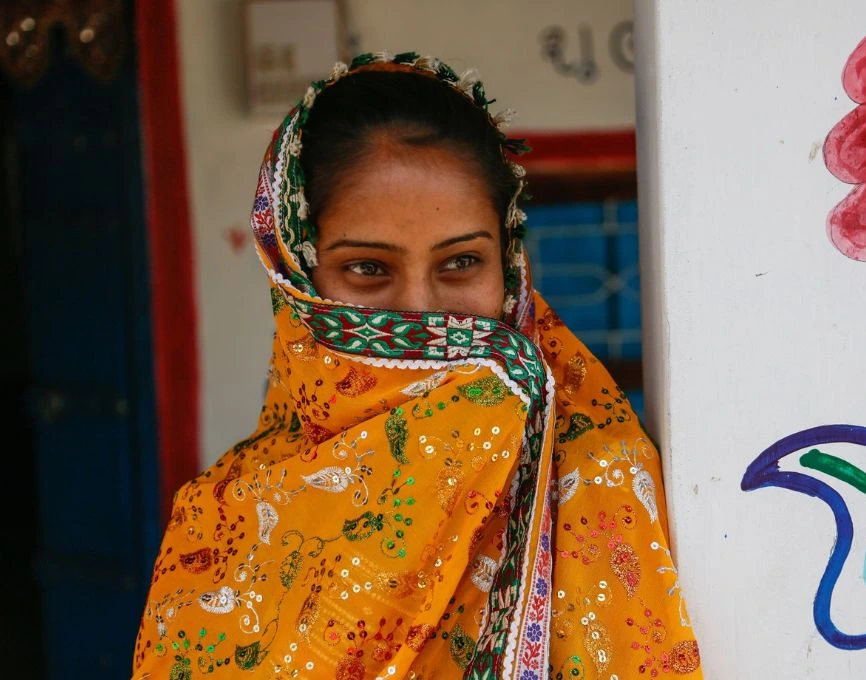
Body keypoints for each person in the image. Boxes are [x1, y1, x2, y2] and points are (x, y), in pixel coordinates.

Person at [132, 51, 702, 679]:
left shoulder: (597, 479)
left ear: (509, 264)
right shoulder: (223, 527)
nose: (420, 311)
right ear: (296, 277)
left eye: (460, 262)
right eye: (368, 269)